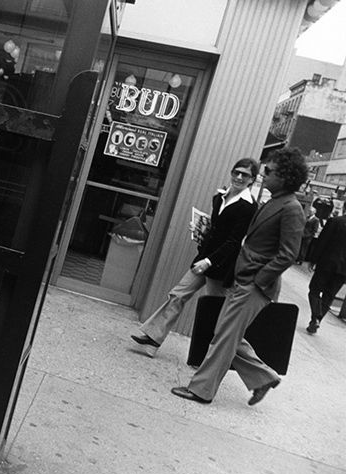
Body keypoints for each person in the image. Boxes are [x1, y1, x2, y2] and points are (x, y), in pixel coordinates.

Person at [171, 148, 307, 406]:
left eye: (269, 171)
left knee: (224, 337)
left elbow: (288, 254)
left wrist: (258, 280)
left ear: (286, 176)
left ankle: (201, 390)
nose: (263, 174)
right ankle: (264, 377)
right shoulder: (274, 201)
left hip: (255, 285)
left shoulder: (291, 208)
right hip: (243, 280)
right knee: (226, 333)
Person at [131, 158, 259, 357]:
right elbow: (216, 230)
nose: (239, 177)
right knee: (178, 295)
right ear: (231, 172)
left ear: (252, 180)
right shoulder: (219, 197)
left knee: (218, 316)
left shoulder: (249, 207)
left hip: (220, 266)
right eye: (237, 172)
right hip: (203, 259)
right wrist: (201, 231)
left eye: (245, 175)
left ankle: (245, 361)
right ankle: (153, 339)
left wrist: (208, 261)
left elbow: (234, 241)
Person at [305, 213, 346, 333]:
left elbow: (323, 241)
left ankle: (316, 317)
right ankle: (317, 320)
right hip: (343, 270)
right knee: (329, 295)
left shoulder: (335, 221)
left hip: (327, 263)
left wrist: (313, 259)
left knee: (314, 289)